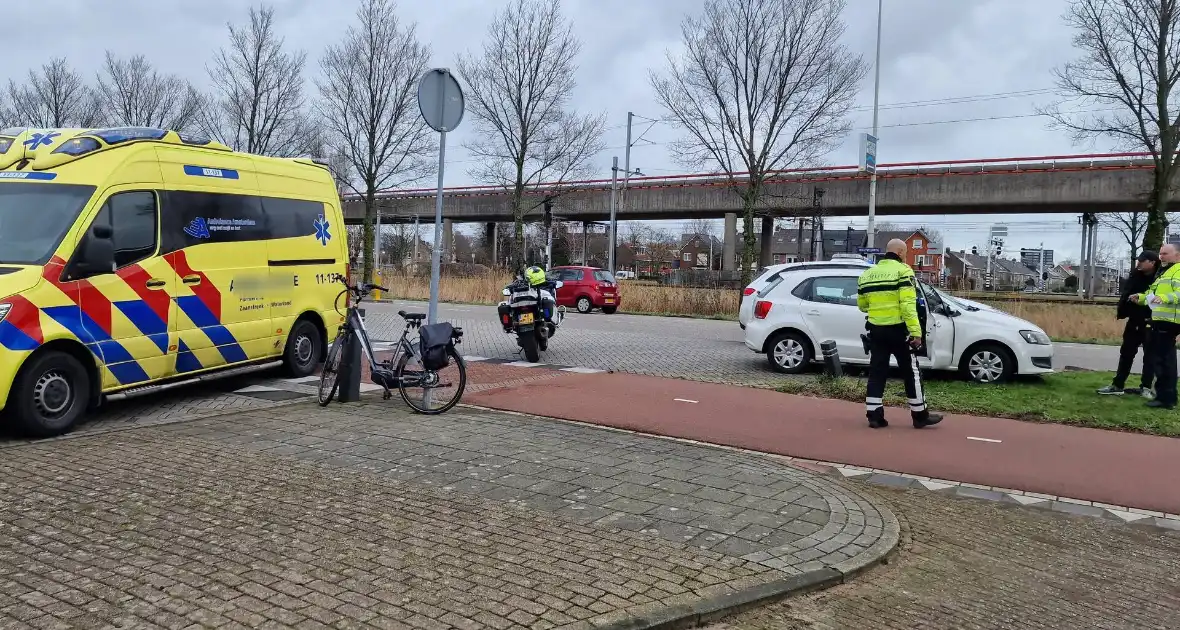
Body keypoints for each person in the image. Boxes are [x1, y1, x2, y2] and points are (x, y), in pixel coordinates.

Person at [857, 239, 944, 429]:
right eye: (905, 252)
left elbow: (862, 305)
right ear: (900, 252)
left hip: (876, 330)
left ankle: (874, 415)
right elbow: (908, 306)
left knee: (877, 371)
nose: (906, 256)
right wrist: (916, 332)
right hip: (898, 331)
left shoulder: (867, 275)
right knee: (911, 372)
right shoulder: (903, 272)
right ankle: (920, 415)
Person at [1098, 250, 1159, 397]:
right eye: (1138, 260)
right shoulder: (1135, 275)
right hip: (1133, 320)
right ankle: (1117, 385)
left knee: (1150, 356)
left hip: (1151, 322)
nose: (1138, 263)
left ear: (1152, 263)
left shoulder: (1160, 278)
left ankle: (1145, 387)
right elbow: (1126, 293)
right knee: (1126, 353)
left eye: (1142, 261)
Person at [1129, 243, 1180, 409]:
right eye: (1160, 253)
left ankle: (1166, 399)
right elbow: (1154, 295)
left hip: (1169, 322)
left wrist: (1165, 298)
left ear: (1177, 255)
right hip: (1159, 321)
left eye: (1165, 253)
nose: (1161, 257)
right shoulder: (1164, 272)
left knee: (1165, 362)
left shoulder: (1178, 270)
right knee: (1160, 361)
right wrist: (1142, 298)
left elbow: (1175, 294)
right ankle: (1165, 397)